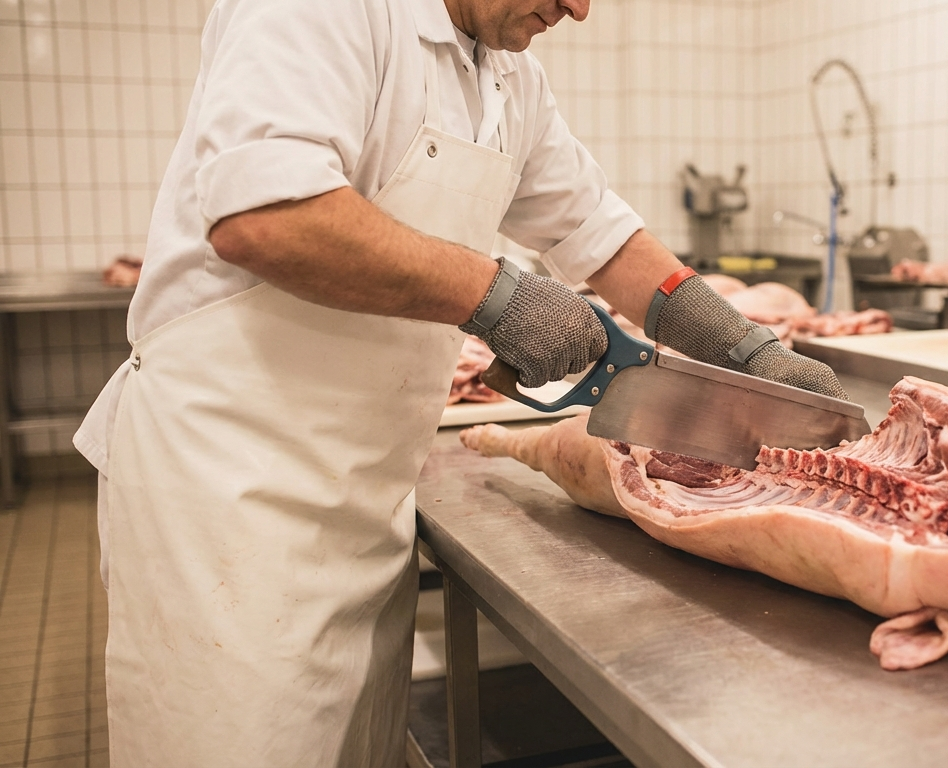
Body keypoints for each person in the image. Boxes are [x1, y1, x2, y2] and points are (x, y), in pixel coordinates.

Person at [73, 0, 847, 765]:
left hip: (366, 495)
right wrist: (498, 297)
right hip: (229, 494)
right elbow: (267, 216)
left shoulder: (508, 74)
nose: (578, 9)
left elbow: (596, 231)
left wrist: (743, 349)